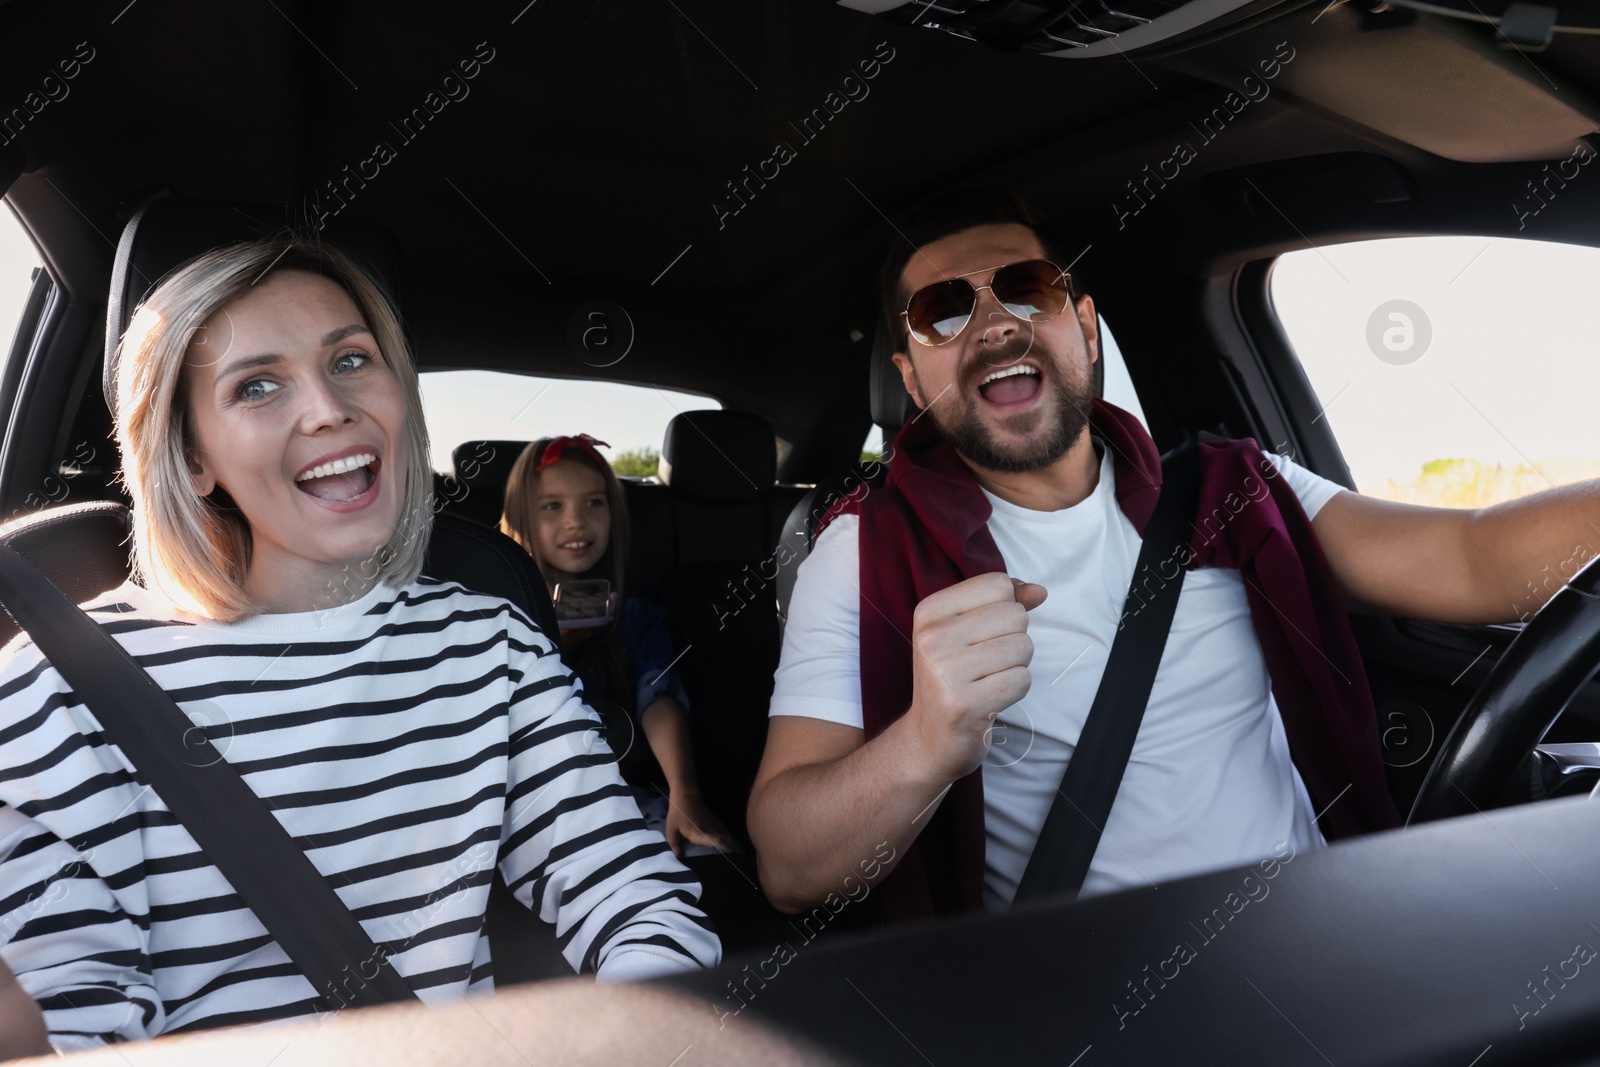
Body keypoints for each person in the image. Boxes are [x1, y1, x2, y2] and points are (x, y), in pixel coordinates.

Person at [747, 188, 1600, 923]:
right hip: (1100, 1005)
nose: (997, 323)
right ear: (912, 375)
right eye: (944, 310)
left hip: (1334, 952)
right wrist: (928, 739)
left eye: (1028, 289)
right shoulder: (864, 551)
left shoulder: (1238, 490)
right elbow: (790, 868)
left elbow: (1477, 557)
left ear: (1084, 326)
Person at [0, 237, 720, 1051]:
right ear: (193, 456)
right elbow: (75, 1024)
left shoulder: (488, 644)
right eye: (258, 385)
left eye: (349, 360)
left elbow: (638, 901)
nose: (329, 408)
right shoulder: (60, 689)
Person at [499, 434, 738, 859]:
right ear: (520, 519)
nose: (577, 521)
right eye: (552, 506)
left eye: (595, 502)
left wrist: (685, 793)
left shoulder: (635, 619)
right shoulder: (499, 620)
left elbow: (657, 699)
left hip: (625, 796)